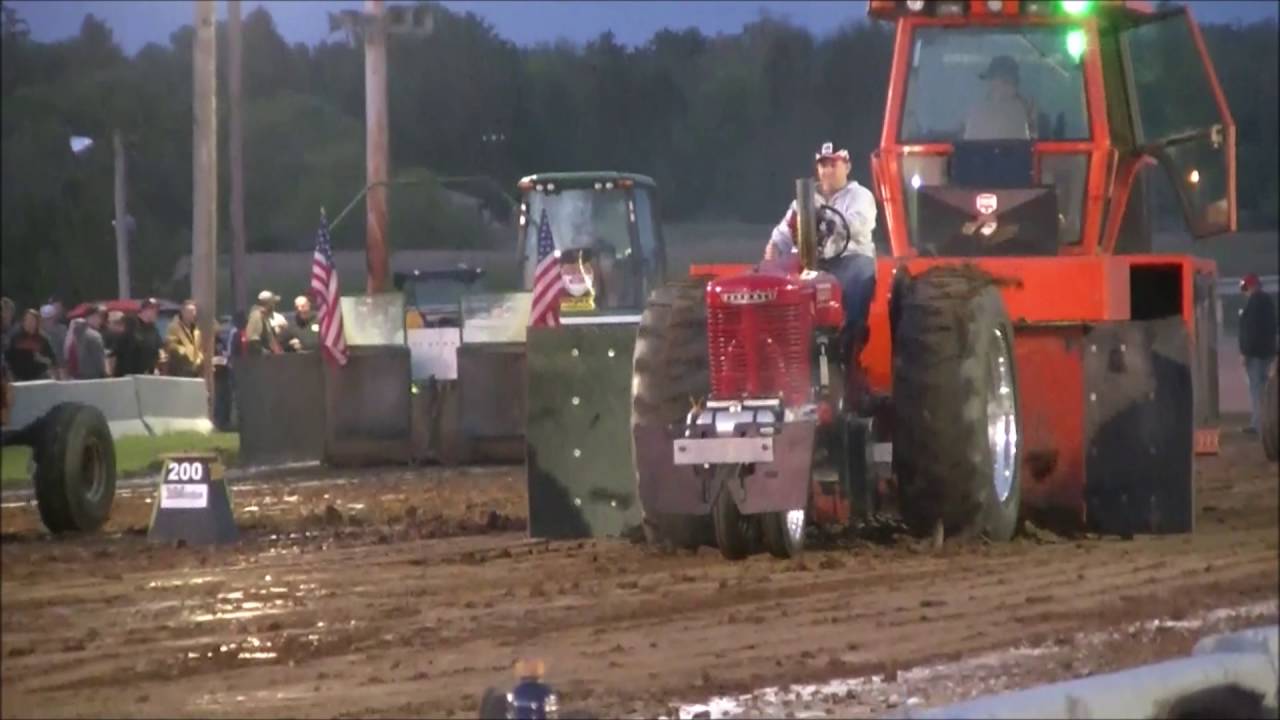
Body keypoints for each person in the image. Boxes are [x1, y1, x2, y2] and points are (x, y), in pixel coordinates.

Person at [764, 141, 878, 362]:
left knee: (861, 272)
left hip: (847, 259)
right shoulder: (803, 202)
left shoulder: (860, 196)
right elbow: (783, 234)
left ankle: (851, 339)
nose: (827, 171)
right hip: (812, 263)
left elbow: (858, 224)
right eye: (823, 165)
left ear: (847, 166)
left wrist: (825, 218)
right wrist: (773, 250)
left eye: (833, 165)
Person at [1238, 273, 1277, 435]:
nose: (1243, 291)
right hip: (1267, 351)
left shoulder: (1253, 303)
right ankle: (1261, 423)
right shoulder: (1268, 301)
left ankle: (1260, 426)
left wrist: (1245, 353)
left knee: (1257, 389)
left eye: (1244, 287)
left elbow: (1251, 331)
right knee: (1263, 388)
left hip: (1255, 353)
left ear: (1250, 286)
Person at [964, 55, 1035, 141]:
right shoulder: (977, 111)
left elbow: (1033, 139)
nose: (999, 86)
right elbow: (969, 143)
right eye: (994, 79)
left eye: (1006, 82)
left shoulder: (1025, 110)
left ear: (1015, 85)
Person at [113, 298, 164, 376]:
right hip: (128, 375)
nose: (156, 312)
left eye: (157, 310)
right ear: (145, 310)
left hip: (146, 376)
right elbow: (117, 351)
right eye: (153, 309)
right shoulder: (130, 323)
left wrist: (156, 367)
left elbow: (158, 350)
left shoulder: (153, 329)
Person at [5, 309, 56, 381]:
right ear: (23, 322)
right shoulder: (15, 338)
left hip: (39, 377)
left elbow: (52, 360)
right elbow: (8, 359)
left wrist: (41, 358)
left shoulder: (42, 339)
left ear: (37, 323)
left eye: (32, 320)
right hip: (19, 378)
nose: (29, 322)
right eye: (27, 320)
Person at [165, 299, 205, 377]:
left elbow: (199, 348)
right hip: (179, 368)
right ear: (182, 312)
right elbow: (170, 344)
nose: (192, 314)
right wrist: (184, 351)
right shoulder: (174, 327)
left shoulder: (196, 330)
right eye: (189, 311)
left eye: (194, 311)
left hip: (194, 369)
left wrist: (200, 358)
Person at [68, 305, 109, 380]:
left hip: (76, 378)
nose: (101, 321)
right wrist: (106, 376)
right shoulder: (94, 336)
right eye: (99, 317)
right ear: (91, 317)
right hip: (93, 379)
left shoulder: (75, 332)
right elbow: (100, 363)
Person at [244, 290, 283, 355]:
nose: (274, 306)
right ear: (268, 304)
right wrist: (265, 352)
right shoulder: (256, 316)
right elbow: (253, 340)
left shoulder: (264, 316)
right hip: (261, 361)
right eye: (273, 303)